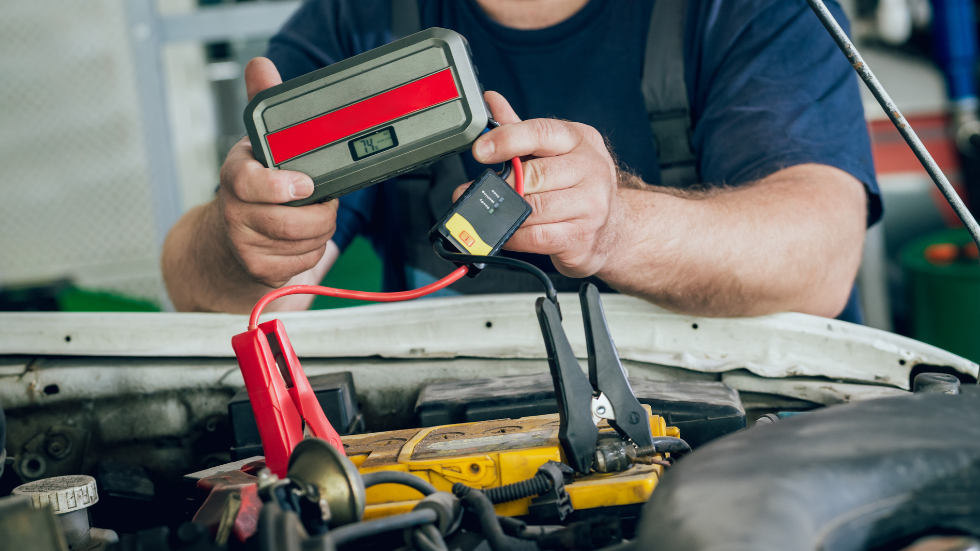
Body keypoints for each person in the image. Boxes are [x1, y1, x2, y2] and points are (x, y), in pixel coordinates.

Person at [162, 0, 879, 323]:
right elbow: (204, 287)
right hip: (447, 462)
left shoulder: (756, 9)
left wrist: (617, 227)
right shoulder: (360, 18)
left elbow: (820, 255)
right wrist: (246, 241)